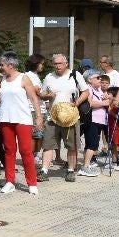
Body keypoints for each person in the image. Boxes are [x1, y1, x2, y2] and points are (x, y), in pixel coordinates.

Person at [0, 52, 45, 196]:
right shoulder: (2, 79)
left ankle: (32, 183)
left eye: (2, 65)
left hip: (23, 119)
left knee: (26, 151)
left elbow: (34, 98)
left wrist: (38, 117)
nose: (0, 67)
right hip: (5, 118)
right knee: (9, 150)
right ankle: (10, 181)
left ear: (11, 65)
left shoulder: (24, 78)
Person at [39, 54, 89, 182]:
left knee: (71, 145)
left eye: (60, 63)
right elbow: (42, 94)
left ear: (66, 63)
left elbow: (86, 92)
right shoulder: (49, 77)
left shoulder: (75, 75)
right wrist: (47, 96)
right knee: (48, 145)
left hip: (70, 116)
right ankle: (44, 170)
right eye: (55, 64)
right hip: (53, 117)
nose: (57, 66)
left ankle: (71, 170)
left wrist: (77, 102)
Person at [78, 71, 112, 176]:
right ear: (89, 80)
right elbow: (90, 103)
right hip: (92, 120)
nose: (100, 79)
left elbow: (108, 101)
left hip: (101, 121)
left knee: (93, 144)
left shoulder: (99, 90)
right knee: (92, 144)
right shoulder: (88, 89)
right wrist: (104, 103)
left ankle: (87, 164)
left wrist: (109, 98)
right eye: (97, 78)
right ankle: (85, 167)